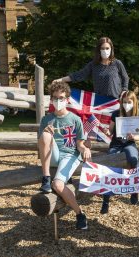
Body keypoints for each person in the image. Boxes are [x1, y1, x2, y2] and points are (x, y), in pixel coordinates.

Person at [38, 81, 92, 230]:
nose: (58, 101)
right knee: (45, 135)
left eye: (61, 98)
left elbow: (80, 144)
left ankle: (80, 213)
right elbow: (42, 143)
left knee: (58, 184)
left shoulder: (75, 119)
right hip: (54, 155)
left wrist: (85, 149)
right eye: (55, 98)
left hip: (70, 154)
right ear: (51, 100)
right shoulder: (46, 119)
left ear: (67, 99)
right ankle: (46, 178)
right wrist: (47, 133)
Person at [100, 91, 139, 214]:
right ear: (121, 102)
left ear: (134, 103)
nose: (126, 104)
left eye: (129, 102)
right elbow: (111, 131)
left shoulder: (136, 115)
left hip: (129, 144)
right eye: (124, 102)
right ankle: (106, 200)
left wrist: (134, 137)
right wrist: (107, 132)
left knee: (134, 159)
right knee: (109, 165)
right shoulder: (116, 114)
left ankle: (134, 190)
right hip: (116, 144)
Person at [53, 36, 129, 100]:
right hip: (99, 102)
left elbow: (125, 78)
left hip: (115, 101)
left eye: (107, 48)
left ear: (111, 49)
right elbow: (79, 75)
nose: (105, 50)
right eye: (102, 48)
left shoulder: (117, 63)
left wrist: (124, 90)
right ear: (99, 50)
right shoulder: (93, 65)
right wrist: (60, 80)